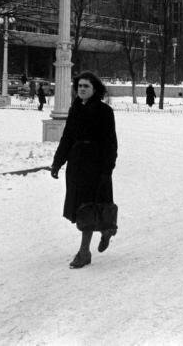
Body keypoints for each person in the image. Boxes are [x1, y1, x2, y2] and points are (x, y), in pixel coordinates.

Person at [51, 72, 118, 269]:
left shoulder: (105, 111)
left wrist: (107, 169)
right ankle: (107, 228)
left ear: (95, 89)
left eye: (86, 86)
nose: (82, 89)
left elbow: (110, 143)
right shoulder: (75, 109)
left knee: (87, 208)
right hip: (77, 164)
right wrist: (57, 163)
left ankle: (84, 252)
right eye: (79, 86)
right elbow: (67, 138)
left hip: (96, 165)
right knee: (80, 207)